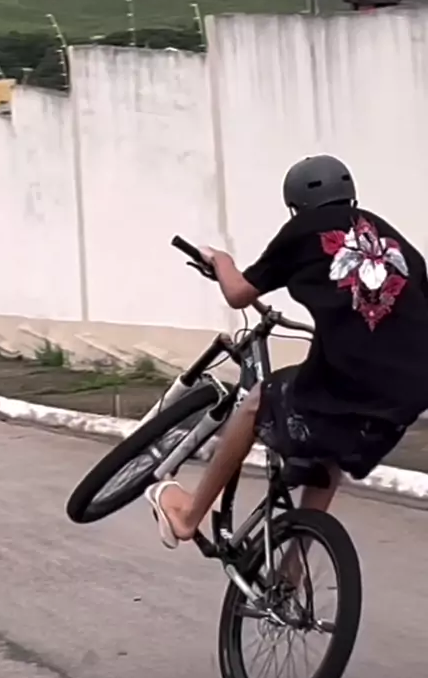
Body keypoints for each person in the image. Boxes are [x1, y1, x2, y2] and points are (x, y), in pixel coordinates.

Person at [145, 154, 428, 551]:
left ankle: (189, 516)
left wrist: (221, 261)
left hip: (353, 382)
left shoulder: (302, 231)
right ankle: (293, 572)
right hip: (406, 397)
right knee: (329, 447)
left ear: (295, 206)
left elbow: (238, 293)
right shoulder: (394, 241)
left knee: (257, 401)